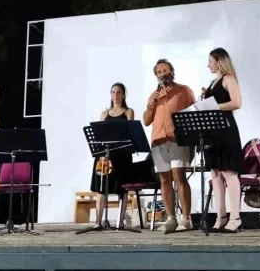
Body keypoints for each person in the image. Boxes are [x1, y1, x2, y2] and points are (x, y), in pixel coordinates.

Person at [143, 59, 195, 233]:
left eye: (165, 70)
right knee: (164, 180)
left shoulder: (184, 90)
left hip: (178, 139)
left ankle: (186, 219)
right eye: (159, 72)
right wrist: (150, 105)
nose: (163, 74)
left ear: (172, 71)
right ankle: (171, 219)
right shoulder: (154, 95)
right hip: (158, 140)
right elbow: (146, 121)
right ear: (156, 76)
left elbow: (194, 112)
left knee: (179, 177)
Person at [202, 48, 244, 233]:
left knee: (229, 173)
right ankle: (221, 217)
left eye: (210, 61)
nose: (208, 65)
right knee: (216, 174)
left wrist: (213, 106)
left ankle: (235, 218)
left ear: (219, 61)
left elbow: (236, 103)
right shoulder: (212, 83)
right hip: (213, 132)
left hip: (226, 130)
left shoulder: (228, 79)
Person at [89, 83, 135, 228]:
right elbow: (99, 136)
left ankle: (120, 222)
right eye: (113, 92)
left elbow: (129, 133)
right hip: (106, 156)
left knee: (122, 188)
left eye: (119, 92)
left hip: (122, 155)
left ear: (123, 95)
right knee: (101, 188)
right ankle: (98, 222)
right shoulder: (104, 114)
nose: (115, 95)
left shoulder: (128, 112)